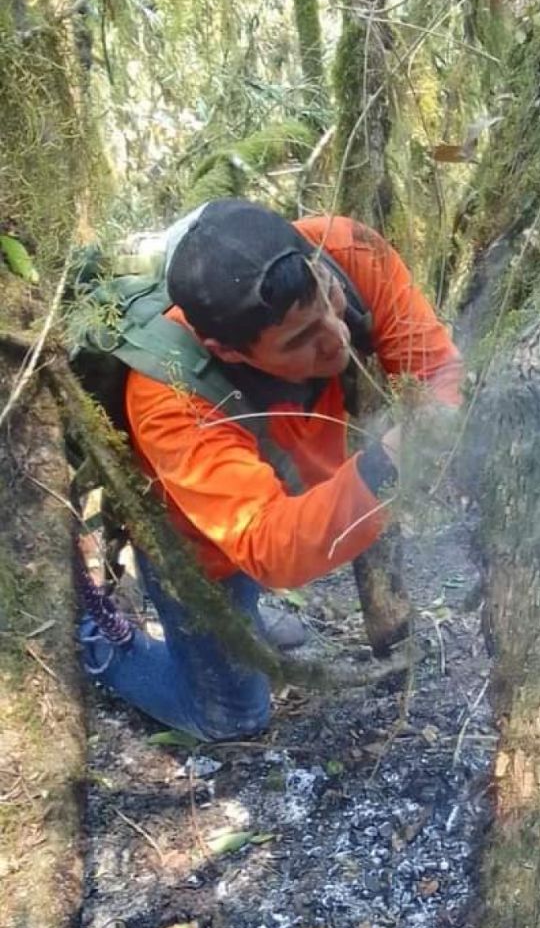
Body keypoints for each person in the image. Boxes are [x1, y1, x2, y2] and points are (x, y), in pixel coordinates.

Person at [77, 199, 462, 741]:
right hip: (197, 540)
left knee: (265, 591)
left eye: (329, 299)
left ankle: (249, 619)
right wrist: (387, 465)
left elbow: (439, 369)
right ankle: (91, 635)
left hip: (300, 490)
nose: (335, 337)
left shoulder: (349, 251)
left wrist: (443, 419)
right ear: (226, 352)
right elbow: (268, 545)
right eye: (300, 341)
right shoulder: (169, 394)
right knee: (232, 717)